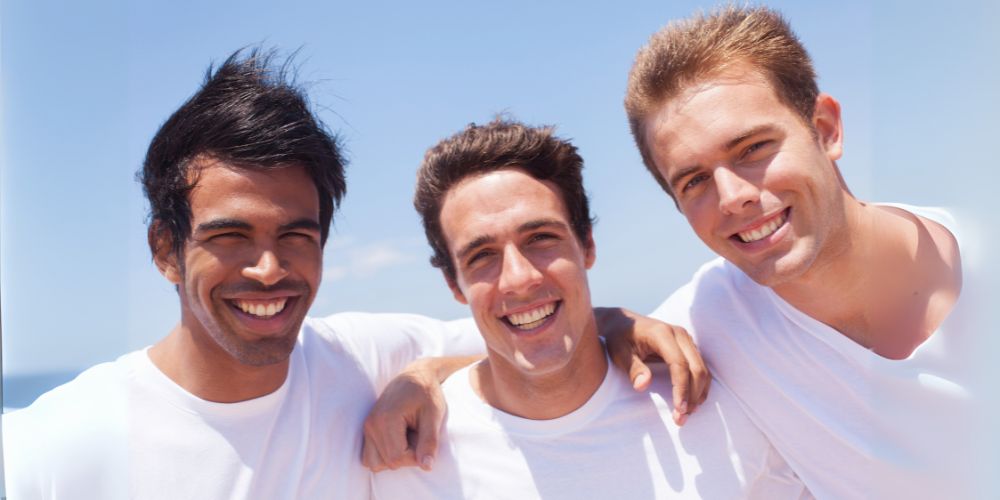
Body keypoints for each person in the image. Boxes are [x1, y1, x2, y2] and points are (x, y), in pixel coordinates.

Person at [2, 49, 705, 499]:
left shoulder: (356, 358)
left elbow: (520, 325)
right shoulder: (56, 448)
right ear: (165, 249)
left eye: (295, 235)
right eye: (230, 236)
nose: (269, 268)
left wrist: (618, 324)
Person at [616, 5, 980, 498]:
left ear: (826, 129)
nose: (732, 197)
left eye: (752, 149)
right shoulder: (713, 314)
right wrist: (613, 323)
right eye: (694, 180)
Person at [372, 119, 809, 499]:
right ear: (454, 283)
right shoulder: (409, 459)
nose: (520, 278)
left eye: (541, 238)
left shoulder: (720, 405)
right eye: (481, 256)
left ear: (587, 246)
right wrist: (424, 372)